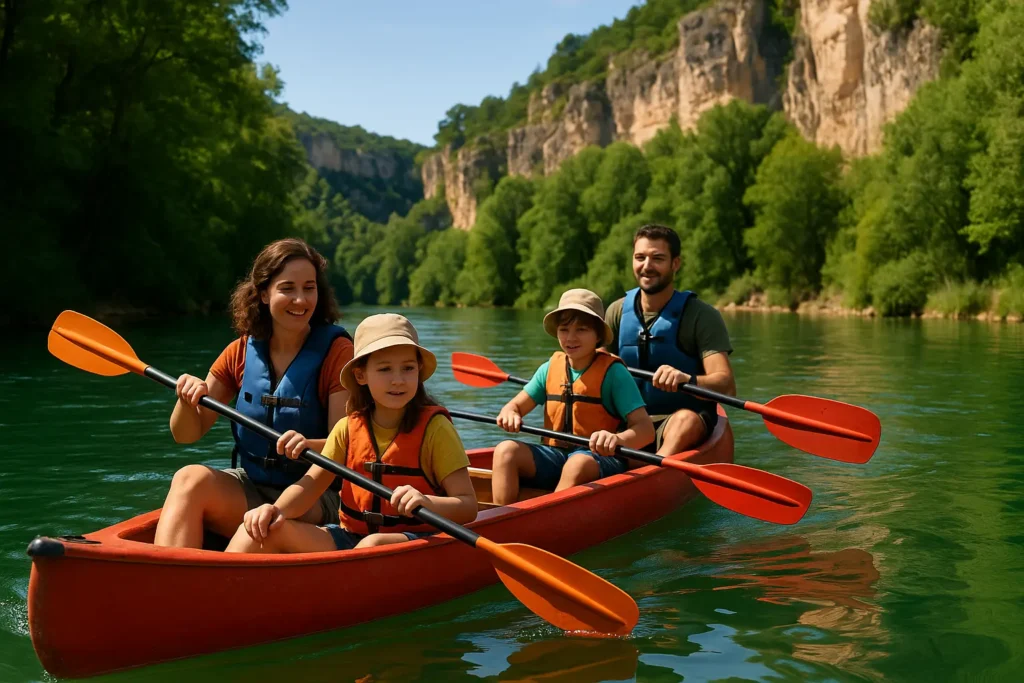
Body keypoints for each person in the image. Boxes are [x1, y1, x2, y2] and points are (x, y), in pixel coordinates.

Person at [154, 238, 353, 548]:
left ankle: (206, 588)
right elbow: (185, 434)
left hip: (317, 494)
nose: (300, 300)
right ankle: (167, 578)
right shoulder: (241, 352)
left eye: (309, 288)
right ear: (263, 294)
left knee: (263, 521)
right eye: (287, 288)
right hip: (253, 485)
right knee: (188, 478)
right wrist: (185, 399)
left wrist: (308, 445)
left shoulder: (337, 354)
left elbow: (346, 443)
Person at [225, 313, 477, 553]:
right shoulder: (347, 428)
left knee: (372, 545)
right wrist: (275, 510)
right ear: (360, 375)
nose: (398, 379)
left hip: (420, 539)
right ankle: (215, 590)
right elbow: (309, 485)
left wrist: (428, 503)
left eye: (408, 368)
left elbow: (468, 506)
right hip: (351, 537)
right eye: (385, 369)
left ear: (419, 372)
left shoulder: (436, 429)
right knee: (262, 530)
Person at [490, 289, 655, 505]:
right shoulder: (549, 369)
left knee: (577, 463)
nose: (570, 338)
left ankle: (544, 520)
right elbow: (515, 406)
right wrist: (510, 413)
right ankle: (501, 519)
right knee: (505, 451)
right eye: (564, 329)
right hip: (555, 455)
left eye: (582, 329)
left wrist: (617, 439)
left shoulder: (614, 373)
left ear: (597, 335)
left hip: (600, 459)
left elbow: (646, 430)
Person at [604, 224, 735, 456]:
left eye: (657, 258)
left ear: (675, 264)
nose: (647, 266)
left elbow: (727, 385)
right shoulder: (616, 311)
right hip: (630, 424)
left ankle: (657, 469)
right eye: (640, 257)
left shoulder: (701, 316)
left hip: (680, 421)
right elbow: (598, 370)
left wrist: (687, 378)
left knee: (685, 420)